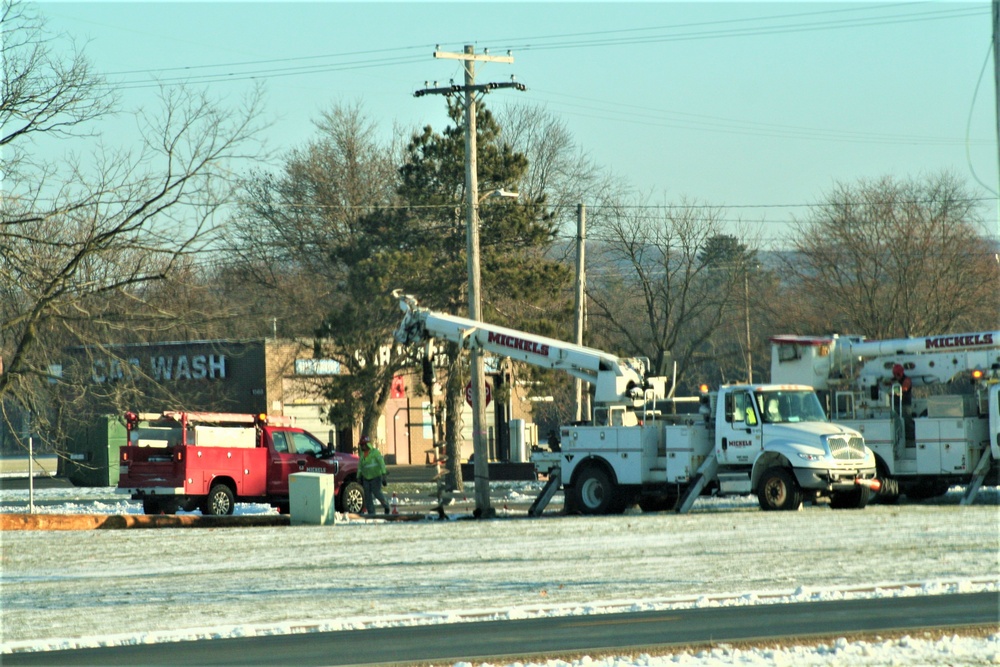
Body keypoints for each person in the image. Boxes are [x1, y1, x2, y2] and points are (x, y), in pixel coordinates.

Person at [357, 436, 390, 516]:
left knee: (377, 493)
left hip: (376, 477)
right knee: (367, 496)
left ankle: (386, 505)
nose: (361, 447)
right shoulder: (362, 455)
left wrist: (384, 474)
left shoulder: (375, 453)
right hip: (366, 478)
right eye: (361, 445)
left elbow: (381, 463)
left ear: (367, 445)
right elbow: (360, 467)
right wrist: (358, 476)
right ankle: (371, 513)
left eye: (362, 445)